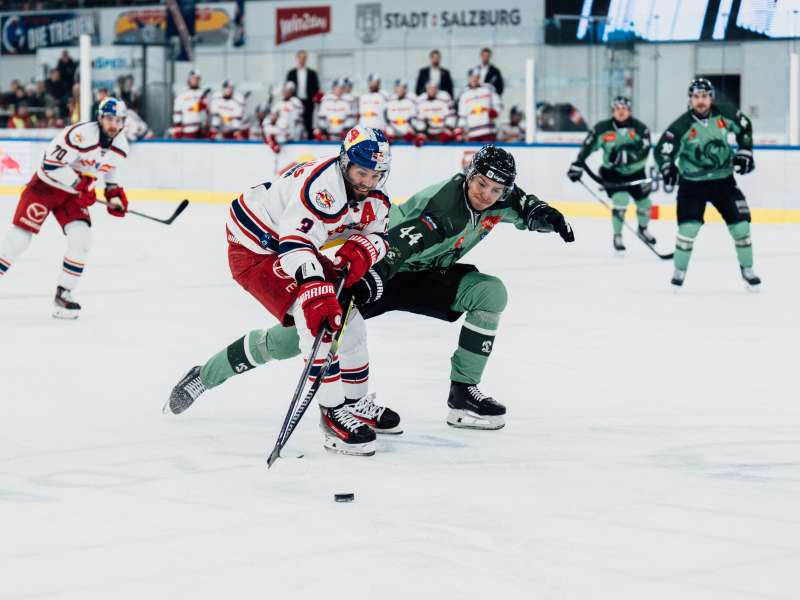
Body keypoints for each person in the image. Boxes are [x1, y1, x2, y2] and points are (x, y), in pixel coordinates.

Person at [166, 145, 574, 432]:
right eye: (481, 184)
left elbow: (519, 202)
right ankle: (208, 374)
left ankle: (463, 393)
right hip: (382, 270)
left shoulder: (498, 196)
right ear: (469, 175)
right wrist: (371, 276)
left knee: (490, 293)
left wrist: (540, 213)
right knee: (302, 336)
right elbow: (398, 241)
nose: (487, 195)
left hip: (426, 276)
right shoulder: (445, 206)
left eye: (495, 190)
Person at [166, 128, 400, 457]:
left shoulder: (376, 193)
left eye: (376, 175)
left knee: (344, 320)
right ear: (345, 162)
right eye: (362, 173)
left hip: (290, 243)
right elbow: (295, 245)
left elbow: (380, 236)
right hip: (256, 247)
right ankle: (331, 414)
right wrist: (315, 293)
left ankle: (354, 401)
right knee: (317, 321)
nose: (367, 182)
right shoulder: (323, 189)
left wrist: (365, 250)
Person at [0, 98, 130, 318]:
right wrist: (80, 185)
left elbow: (109, 169)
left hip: (71, 196)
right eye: (109, 118)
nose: (113, 124)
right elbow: (51, 165)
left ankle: (64, 295)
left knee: (82, 239)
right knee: (19, 239)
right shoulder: (79, 135)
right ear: (99, 117)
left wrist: (113, 192)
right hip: (45, 187)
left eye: (118, 120)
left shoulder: (121, 145)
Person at [655, 78, 760, 289]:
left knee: (741, 226)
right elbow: (663, 150)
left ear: (711, 97)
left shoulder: (726, 113)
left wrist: (746, 151)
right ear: (690, 99)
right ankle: (679, 271)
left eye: (704, 96)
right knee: (688, 228)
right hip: (693, 185)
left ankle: (747, 269)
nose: (700, 101)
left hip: (724, 181)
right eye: (696, 97)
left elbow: (745, 127)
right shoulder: (682, 125)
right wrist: (667, 167)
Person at [567, 96, 655, 251]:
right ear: (613, 110)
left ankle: (643, 229)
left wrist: (625, 157)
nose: (621, 112)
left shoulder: (641, 129)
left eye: (624, 109)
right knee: (620, 201)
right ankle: (618, 236)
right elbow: (588, 146)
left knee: (645, 204)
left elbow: (644, 151)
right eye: (617, 109)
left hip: (636, 172)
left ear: (629, 110)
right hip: (612, 173)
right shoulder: (602, 128)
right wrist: (578, 163)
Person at [456, 67, 502, 142]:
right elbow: (462, 115)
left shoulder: (488, 88)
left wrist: (496, 112)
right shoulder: (464, 94)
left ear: (479, 77)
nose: (474, 79)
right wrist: (460, 130)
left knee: (490, 153)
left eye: (476, 77)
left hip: (488, 131)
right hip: (472, 133)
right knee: (474, 154)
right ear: (468, 78)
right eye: (472, 77)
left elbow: (498, 104)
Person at [262, 81, 305, 153]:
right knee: (267, 126)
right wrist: (274, 119)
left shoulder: (296, 102)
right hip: (282, 129)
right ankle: (274, 145)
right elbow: (273, 115)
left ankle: (274, 143)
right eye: (284, 90)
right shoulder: (279, 102)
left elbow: (297, 118)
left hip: (293, 131)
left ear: (292, 91)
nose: (285, 92)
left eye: (287, 90)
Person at [285, 50, 320, 139]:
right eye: (300, 57)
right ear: (297, 59)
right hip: (295, 101)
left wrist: (314, 98)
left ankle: (310, 141)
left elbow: (316, 88)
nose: (302, 60)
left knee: (309, 123)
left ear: (306, 59)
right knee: (294, 122)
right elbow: (287, 88)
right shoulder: (291, 73)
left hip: (308, 101)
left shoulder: (312, 73)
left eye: (304, 58)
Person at [414, 80, 456, 145]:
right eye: (429, 88)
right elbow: (420, 120)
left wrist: (448, 131)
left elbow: (451, 115)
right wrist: (421, 134)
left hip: (443, 132)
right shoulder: (420, 100)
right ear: (426, 89)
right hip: (429, 133)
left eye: (434, 88)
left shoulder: (445, 97)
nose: (432, 90)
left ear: (437, 89)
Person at [171, 69, 209, 139]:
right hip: (188, 129)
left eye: (197, 78)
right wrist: (178, 127)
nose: (195, 80)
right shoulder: (182, 94)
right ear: (189, 79)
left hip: (202, 129)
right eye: (193, 78)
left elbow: (206, 112)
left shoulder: (203, 93)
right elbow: (177, 111)